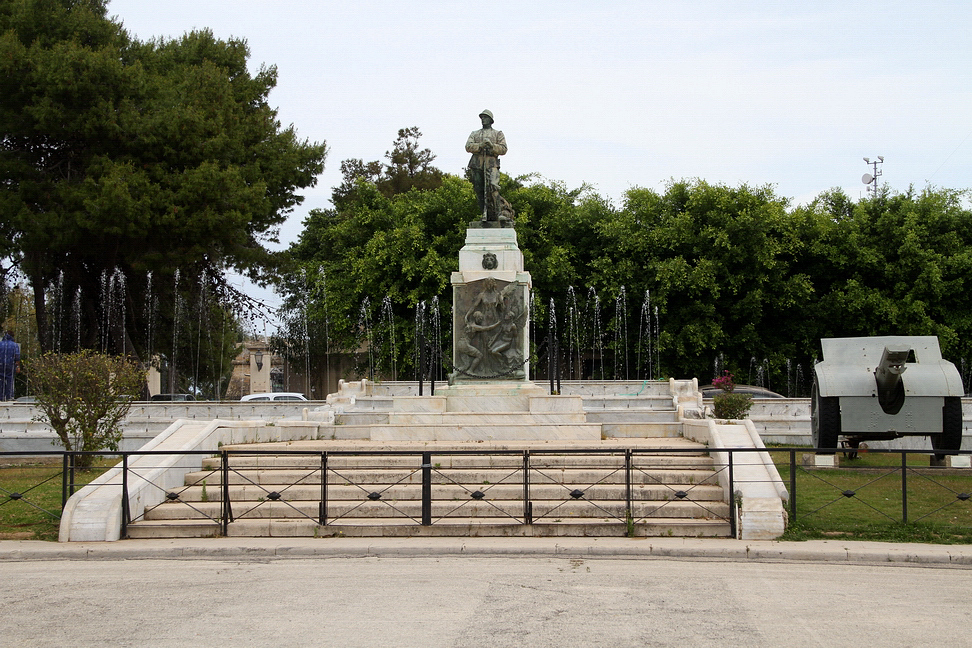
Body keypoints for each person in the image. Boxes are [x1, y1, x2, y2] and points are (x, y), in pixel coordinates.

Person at [465, 109, 508, 222]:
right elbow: (468, 146)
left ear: (490, 120)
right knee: (480, 190)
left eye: (485, 117)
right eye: (482, 117)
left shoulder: (498, 133)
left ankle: (498, 213)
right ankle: (484, 213)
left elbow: (503, 149)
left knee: (493, 186)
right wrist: (480, 145)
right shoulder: (475, 133)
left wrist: (492, 146)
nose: (483, 119)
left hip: (491, 164)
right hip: (477, 165)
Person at [0, 332, 21, 400]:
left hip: (0, 365)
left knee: (1, 380)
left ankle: (1, 397)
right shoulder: (14, 345)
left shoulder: (0, 344)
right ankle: (9, 396)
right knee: (10, 380)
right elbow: (17, 356)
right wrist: (17, 366)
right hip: (10, 365)